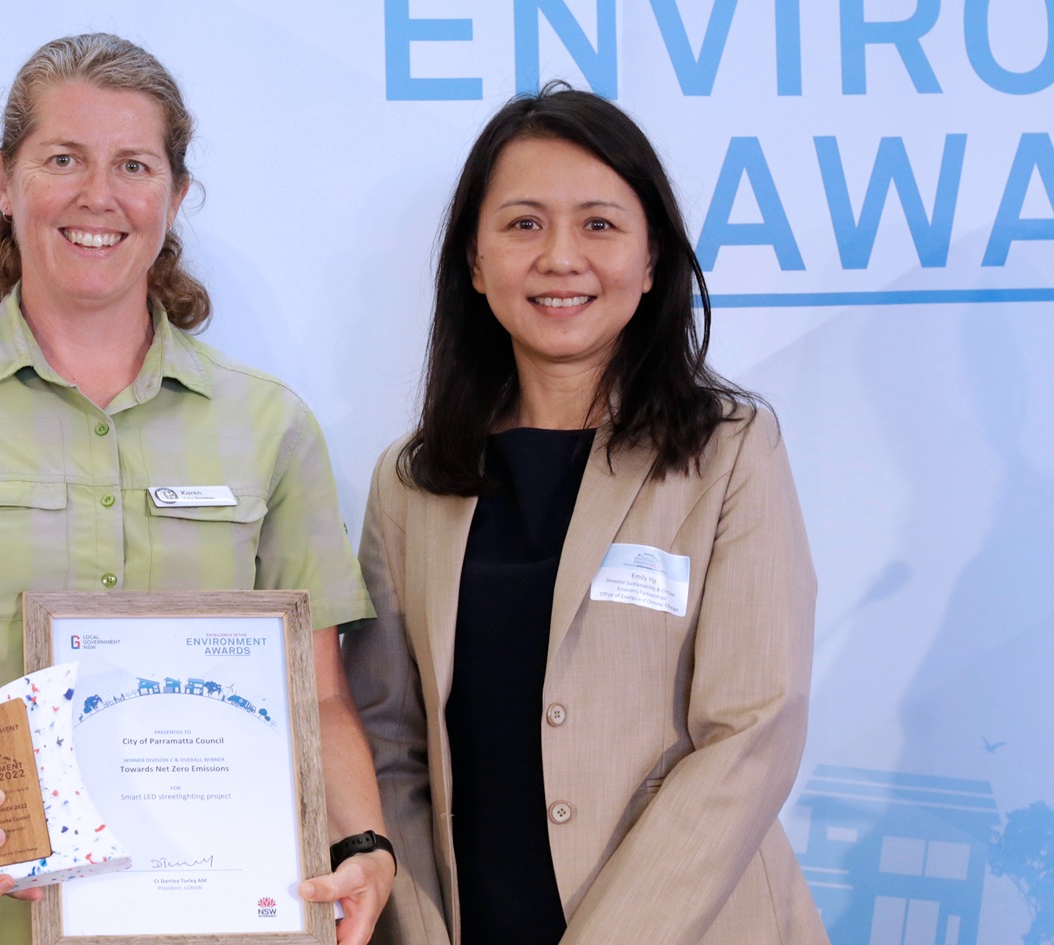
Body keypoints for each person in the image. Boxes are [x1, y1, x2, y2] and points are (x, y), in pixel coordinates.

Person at [0, 33, 394, 945]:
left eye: (133, 164)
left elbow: (322, 696)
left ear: (175, 196)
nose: (96, 195)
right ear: (4, 178)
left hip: (197, 921)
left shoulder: (269, 425)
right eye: (62, 158)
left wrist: (366, 837)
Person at [343, 85, 827, 945]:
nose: (561, 257)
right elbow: (388, 738)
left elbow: (751, 729)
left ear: (651, 264)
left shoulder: (730, 453)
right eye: (524, 224)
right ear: (475, 261)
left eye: (599, 224)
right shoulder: (411, 481)